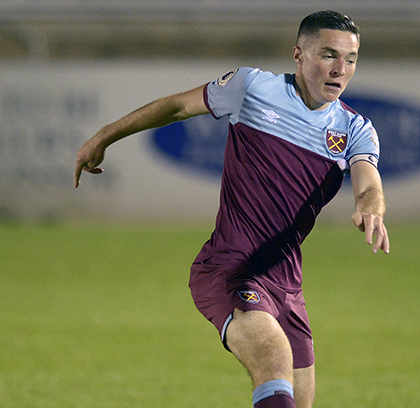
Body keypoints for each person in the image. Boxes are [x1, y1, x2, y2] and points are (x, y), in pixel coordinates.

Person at [74, 10, 389, 408]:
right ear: (299, 55)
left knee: (296, 400)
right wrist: (104, 136)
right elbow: (175, 107)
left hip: (287, 286)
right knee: (273, 361)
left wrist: (371, 206)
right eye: (328, 55)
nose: (340, 69)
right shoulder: (251, 87)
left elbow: (369, 181)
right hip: (230, 270)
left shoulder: (355, 129)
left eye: (350, 59)